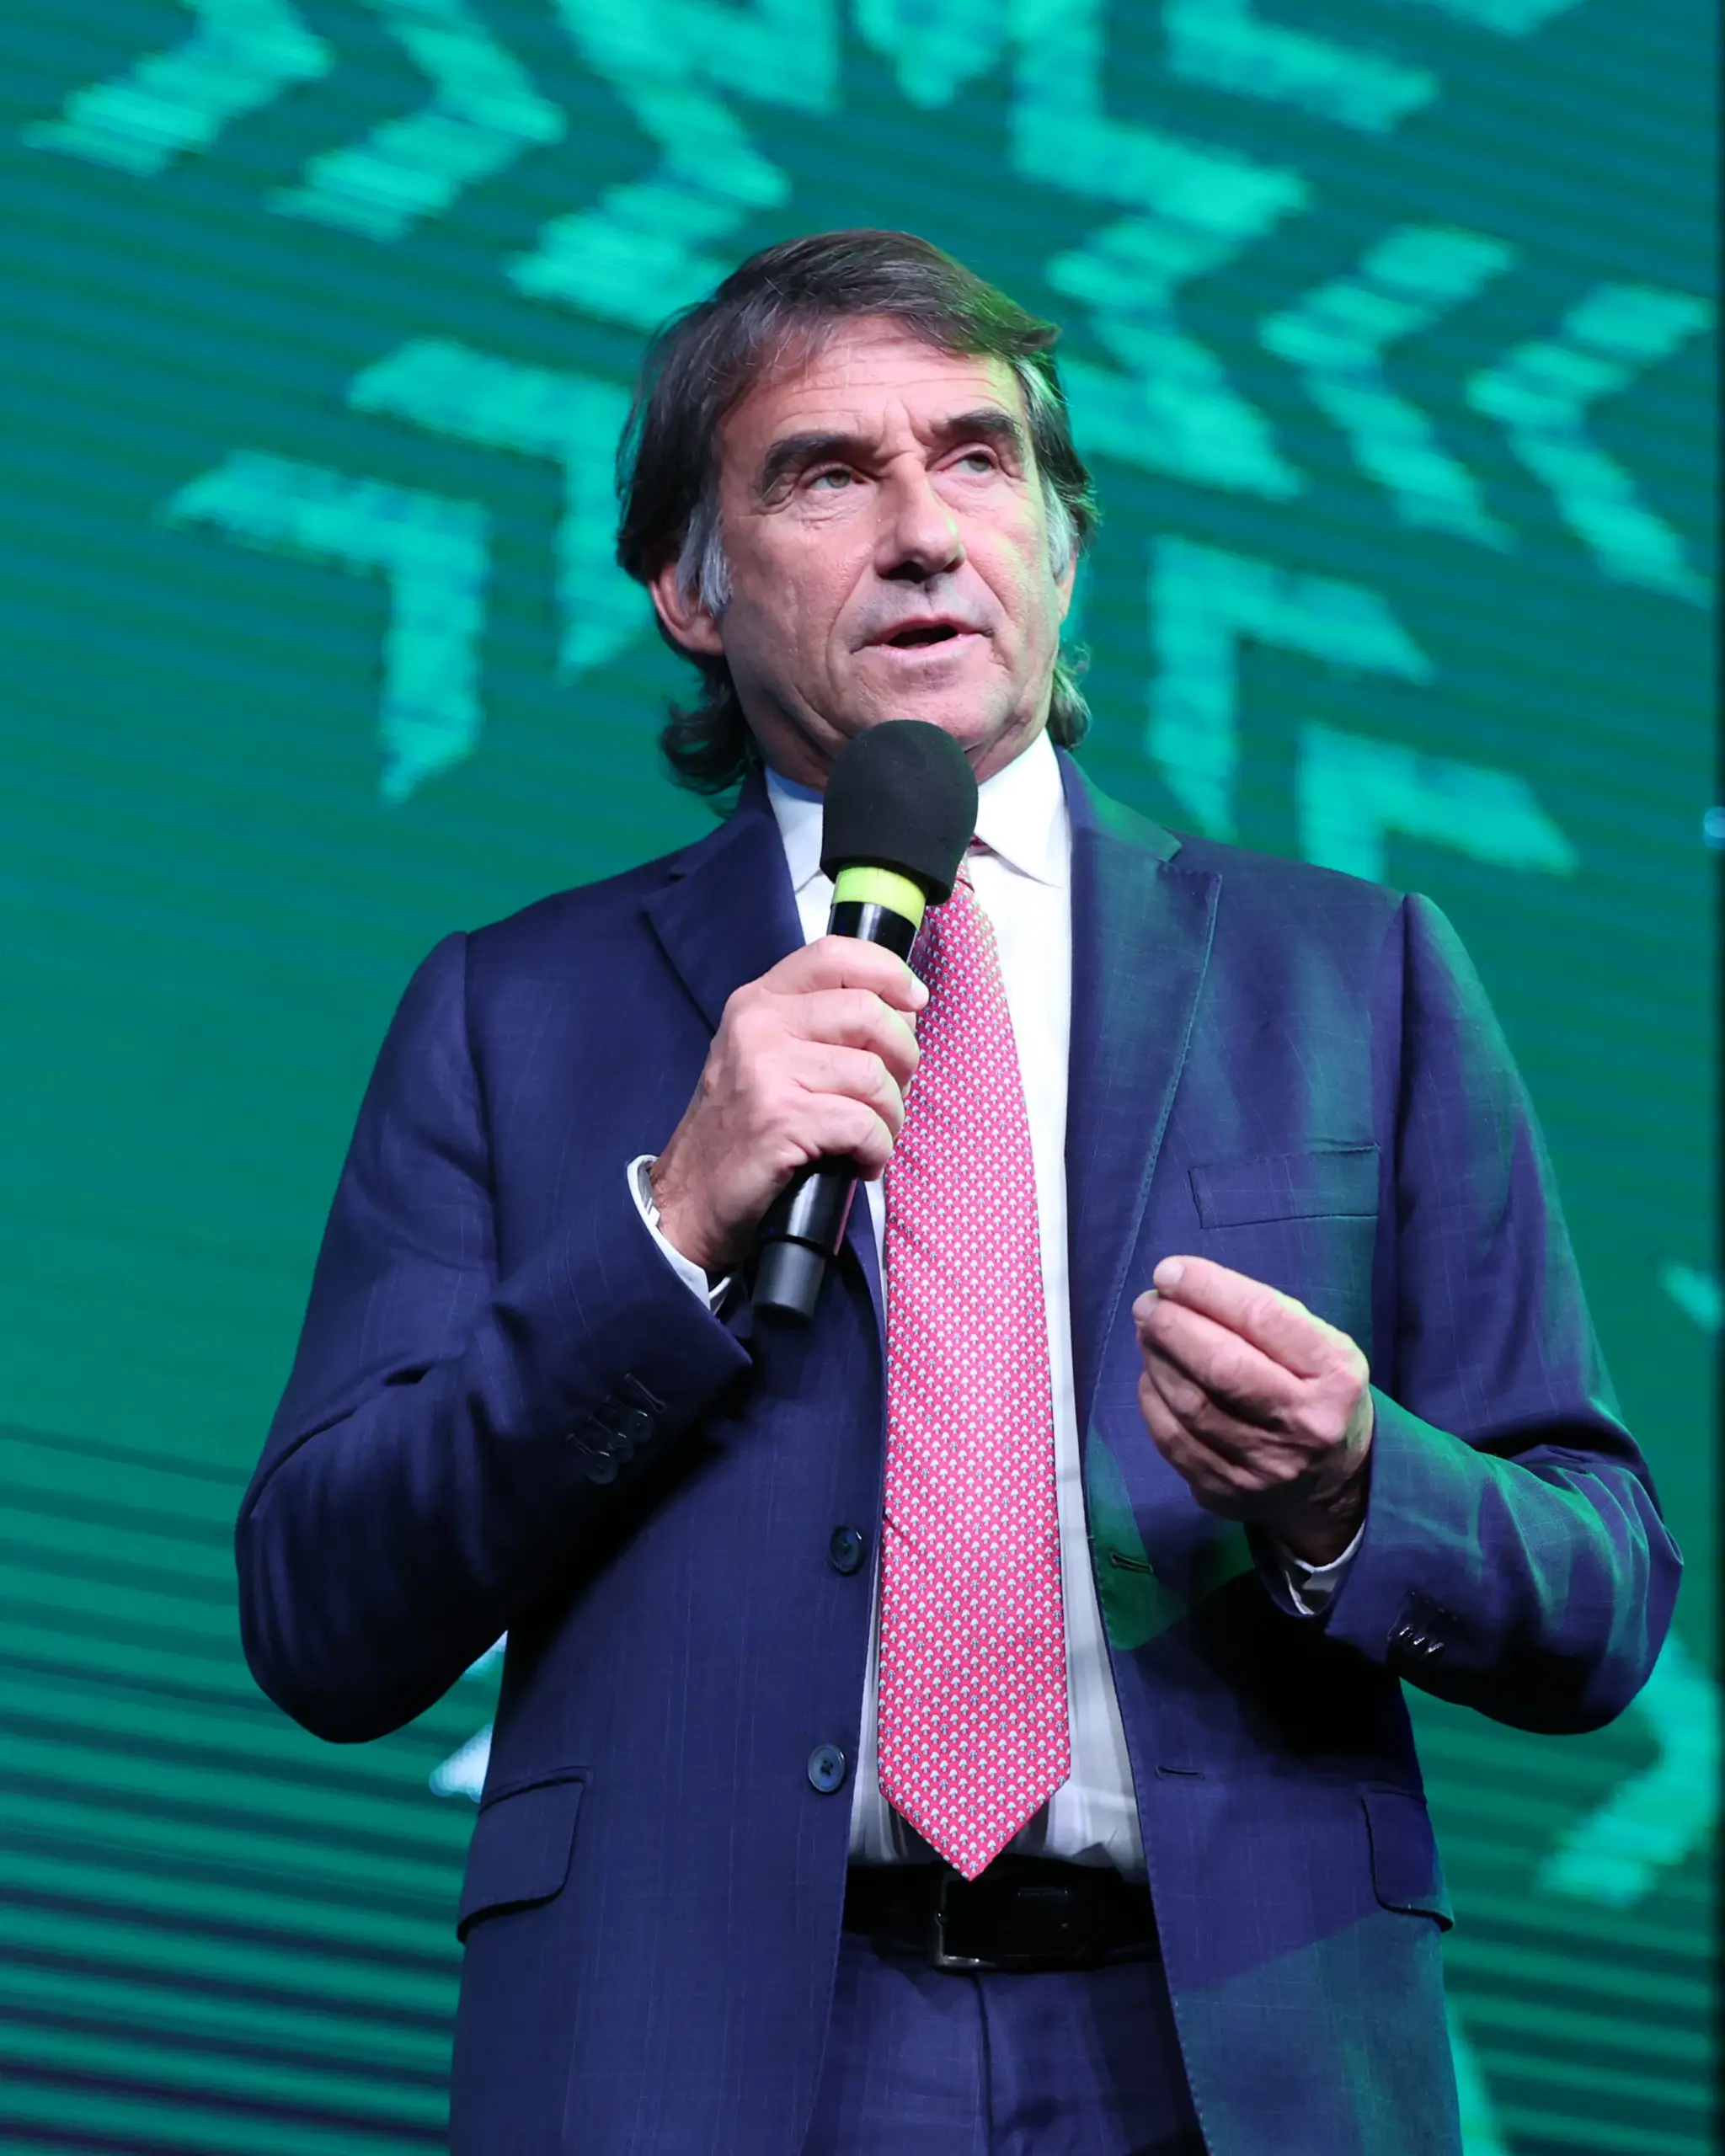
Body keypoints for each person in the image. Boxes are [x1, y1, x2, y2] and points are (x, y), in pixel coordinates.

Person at [238, 232, 1680, 2155]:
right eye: (825, 474)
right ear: (689, 585)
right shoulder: (513, 1013)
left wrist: (1351, 1490)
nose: (923, 532)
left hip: (1233, 2052)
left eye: (978, 458)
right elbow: (323, 1610)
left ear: (1062, 543)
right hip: (694, 2055)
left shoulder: (1359, 975)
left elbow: (1601, 1591)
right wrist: (670, 1230)